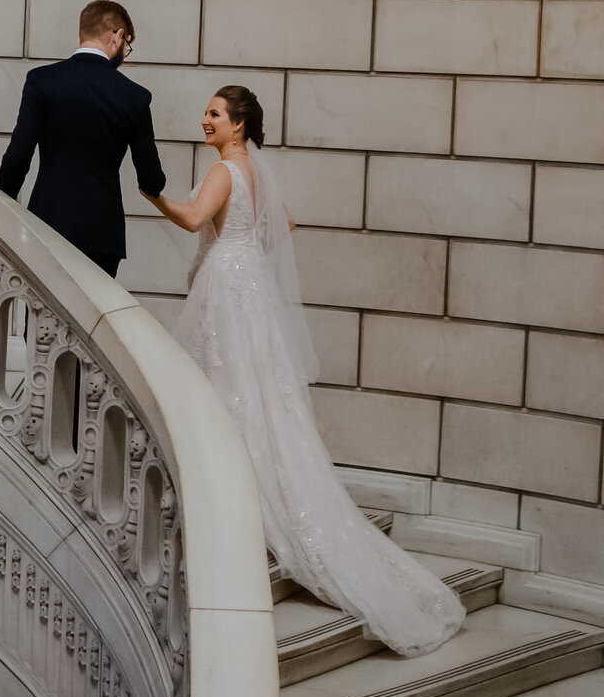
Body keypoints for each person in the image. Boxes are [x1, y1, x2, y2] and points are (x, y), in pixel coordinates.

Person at [142, 87, 465, 657]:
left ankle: (224, 500)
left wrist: (152, 195)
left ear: (238, 126)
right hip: (248, 291)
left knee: (220, 388)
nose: (205, 120)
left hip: (225, 289)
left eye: (215, 114)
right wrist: (242, 253)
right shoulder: (254, 172)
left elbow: (193, 219)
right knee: (255, 393)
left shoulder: (223, 170)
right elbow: (283, 224)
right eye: (208, 112)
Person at [0, 0, 166, 279]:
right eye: (127, 46)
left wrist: (1, 206)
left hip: (47, 223)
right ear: (118, 36)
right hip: (102, 233)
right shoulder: (134, 96)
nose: (125, 53)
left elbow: (17, 158)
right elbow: (151, 180)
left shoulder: (41, 80)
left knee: (43, 306)